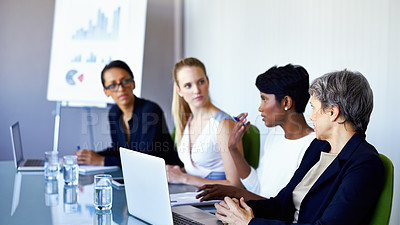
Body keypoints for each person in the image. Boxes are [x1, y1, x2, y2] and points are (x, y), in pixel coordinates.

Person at [214, 70, 384, 225]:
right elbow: (281, 205)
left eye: (313, 107)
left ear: (332, 112)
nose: (310, 116)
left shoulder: (365, 164)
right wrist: (237, 209)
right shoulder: (318, 147)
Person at [197, 64, 315, 201]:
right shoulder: (274, 136)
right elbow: (258, 189)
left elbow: (287, 208)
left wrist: (234, 192)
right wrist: (233, 148)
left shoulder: (312, 146)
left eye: (264, 99)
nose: (260, 108)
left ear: (286, 102)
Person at [75, 60, 182, 167]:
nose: (121, 89)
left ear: (133, 84)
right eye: (113, 85)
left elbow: (146, 159)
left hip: (169, 177)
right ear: (106, 91)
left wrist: (102, 160)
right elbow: (119, 150)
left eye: (125, 81)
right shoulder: (114, 113)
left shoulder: (150, 110)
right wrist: (90, 156)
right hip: (137, 175)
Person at [166, 57, 243, 187]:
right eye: (188, 85)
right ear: (179, 91)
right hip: (191, 195)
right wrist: (175, 173)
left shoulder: (223, 125)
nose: (196, 90)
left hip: (217, 202)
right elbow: (200, 170)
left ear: (208, 82)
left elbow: (236, 184)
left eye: (201, 82)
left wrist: (184, 178)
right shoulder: (188, 120)